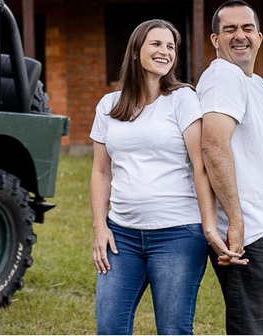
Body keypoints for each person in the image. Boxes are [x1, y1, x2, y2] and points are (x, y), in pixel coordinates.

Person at [91, 19, 241, 335]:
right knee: (108, 328)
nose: (165, 51)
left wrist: (209, 227)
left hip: (177, 236)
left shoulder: (182, 99)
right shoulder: (108, 105)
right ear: (135, 51)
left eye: (171, 46)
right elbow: (101, 171)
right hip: (121, 237)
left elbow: (201, 167)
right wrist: (100, 228)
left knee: (173, 330)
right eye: (156, 44)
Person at [198, 0, 263, 335]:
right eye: (230, 29)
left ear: (259, 36)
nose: (240, 36)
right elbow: (212, 145)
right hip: (249, 236)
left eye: (247, 28)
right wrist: (236, 222)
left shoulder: (256, 84)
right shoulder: (223, 77)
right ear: (215, 40)